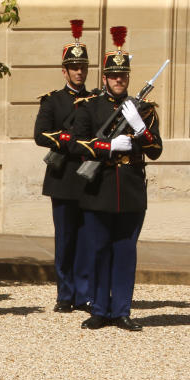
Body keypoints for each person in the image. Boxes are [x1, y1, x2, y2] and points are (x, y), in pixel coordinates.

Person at [71, 27, 162, 331]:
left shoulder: (145, 110)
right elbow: (76, 143)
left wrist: (141, 130)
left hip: (132, 189)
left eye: (123, 75)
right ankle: (99, 309)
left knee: (125, 251)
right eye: (113, 75)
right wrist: (107, 146)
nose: (119, 79)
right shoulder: (90, 107)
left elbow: (156, 150)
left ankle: (122, 310)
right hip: (99, 188)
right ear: (105, 78)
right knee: (98, 250)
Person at [33, 20, 94, 314]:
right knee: (66, 238)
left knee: (86, 239)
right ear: (64, 70)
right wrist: (69, 140)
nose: (79, 71)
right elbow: (40, 134)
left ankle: (84, 293)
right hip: (63, 176)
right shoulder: (53, 101)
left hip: (90, 178)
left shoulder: (96, 100)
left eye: (83, 67)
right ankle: (65, 293)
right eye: (74, 67)